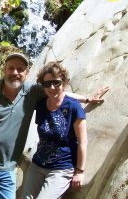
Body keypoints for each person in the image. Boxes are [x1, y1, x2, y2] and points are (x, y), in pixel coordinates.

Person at [0, 53, 108, 199]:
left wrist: (87, 99)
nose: (15, 72)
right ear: (4, 69)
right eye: (11, 68)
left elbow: (58, 93)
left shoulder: (31, 91)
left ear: (27, 72)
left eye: (20, 69)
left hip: (6, 169)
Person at [22, 62, 88, 199]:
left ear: (64, 82)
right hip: (38, 164)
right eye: (47, 84)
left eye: (56, 83)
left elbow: (83, 142)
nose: (52, 87)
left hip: (62, 168)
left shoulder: (73, 108)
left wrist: (80, 171)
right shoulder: (41, 105)